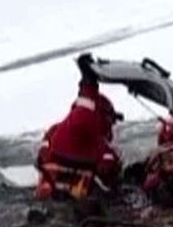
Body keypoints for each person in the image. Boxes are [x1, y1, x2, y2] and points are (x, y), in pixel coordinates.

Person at [34, 54, 123, 201]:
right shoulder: (90, 134)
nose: (111, 127)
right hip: (82, 205)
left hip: (54, 197)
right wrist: (89, 82)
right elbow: (85, 110)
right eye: (110, 121)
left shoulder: (56, 131)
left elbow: (43, 153)